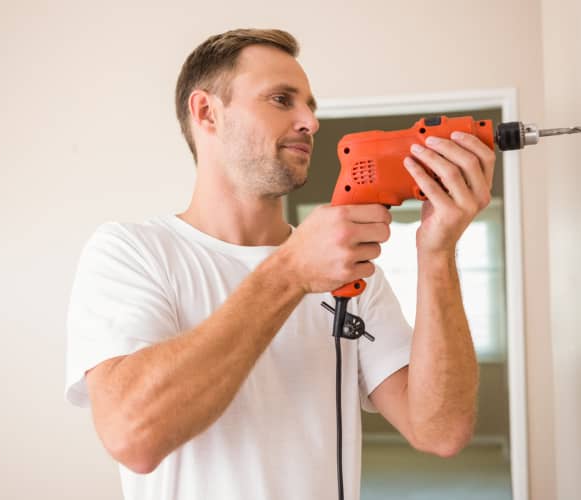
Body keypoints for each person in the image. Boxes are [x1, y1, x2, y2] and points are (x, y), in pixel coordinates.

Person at [65, 28, 495, 500]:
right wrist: (289, 272)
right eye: (280, 99)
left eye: (310, 105)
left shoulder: (352, 273)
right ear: (207, 112)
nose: (309, 120)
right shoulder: (132, 253)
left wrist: (437, 252)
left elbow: (439, 430)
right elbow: (133, 437)